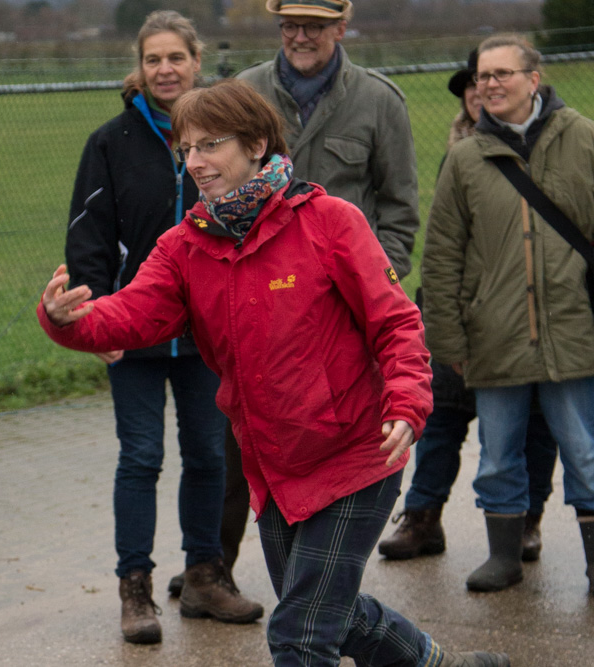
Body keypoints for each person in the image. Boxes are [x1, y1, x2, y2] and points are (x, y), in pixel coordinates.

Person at [40, 78, 509, 667]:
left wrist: (407, 401)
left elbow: (395, 323)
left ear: (257, 143)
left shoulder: (329, 221)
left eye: (210, 145)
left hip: (359, 453)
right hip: (275, 464)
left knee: (300, 635)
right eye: (188, 149)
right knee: (327, 609)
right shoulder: (185, 247)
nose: (195, 162)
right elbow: (129, 315)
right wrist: (66, 320)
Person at [65, 10, 263, 645]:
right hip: (137, 331)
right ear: (139, 66)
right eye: (154, 59)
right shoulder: (110, 142)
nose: (165, 69)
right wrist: (99, 320)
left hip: (208, 333)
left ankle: (205, 575)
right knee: (142, 457)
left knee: (209, 455)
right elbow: (89, 238)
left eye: (176, 57)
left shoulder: (220, 137)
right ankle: (135, 588)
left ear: (196, 61)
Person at [207, 0, 419, 586]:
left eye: (315, 27)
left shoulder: (378, 101)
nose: (300, 37)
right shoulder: (244, 92)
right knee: (240, 449)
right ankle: (216, 569)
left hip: (343, 319)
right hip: (256, 314)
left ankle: (325, 577)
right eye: (290, 26)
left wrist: (376, 291)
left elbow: (399, 209)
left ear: (340, 28)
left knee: (338, 443)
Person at [423, 33, 594, 594]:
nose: (490, 84)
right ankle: (504, 557)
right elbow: (443, 253)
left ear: (534, 80)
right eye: (482, 76)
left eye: (502, 74)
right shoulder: (466, 158)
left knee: (586, 456)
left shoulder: (583, 138)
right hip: (492, 337)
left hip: (574, 332)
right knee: (497, 458)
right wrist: (447, 339)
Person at [378, 49, 559, 562]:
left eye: (494, 78)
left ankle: (528, 518)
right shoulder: (459, 149)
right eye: (473, 83)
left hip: (525, 313)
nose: (481, 91)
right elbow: (442, 246)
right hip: (464, 309)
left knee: (536, 427)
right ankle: (422, 516)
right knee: (442, 418)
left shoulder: (541, 147)